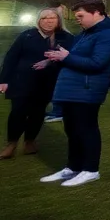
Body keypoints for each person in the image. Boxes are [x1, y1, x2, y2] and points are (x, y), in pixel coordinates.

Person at [37, 0, 110, 187]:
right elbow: (75, 57)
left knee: (87, 129)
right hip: (71, 88)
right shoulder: (86, 33)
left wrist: (67, 57)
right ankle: (73, 167)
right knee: (72, 130)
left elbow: (97, 63)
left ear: (97, 13)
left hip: (87, 89)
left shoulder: (108, 34)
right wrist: (55, 59)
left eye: (80, 16)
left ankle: (91, 170)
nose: (78, 19)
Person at [1, 8, 73, 159]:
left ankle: (30, 141)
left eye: (52, 18)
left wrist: (50, 62)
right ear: (38, 21)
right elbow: (11, 58)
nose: (48, 21)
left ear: (58, 20)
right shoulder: (27, 35)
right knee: (18, 112)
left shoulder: (66, 38)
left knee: (38, 113)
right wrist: (4, 80)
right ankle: (11, 144)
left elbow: (70, 58)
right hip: (22, 81)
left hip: (46, 82)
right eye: (44, 18)